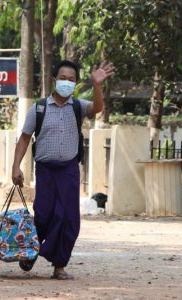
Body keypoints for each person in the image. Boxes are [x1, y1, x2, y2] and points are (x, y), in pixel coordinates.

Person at [12, 60, 115, 280]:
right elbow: (24, 138)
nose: (66, 82)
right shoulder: (38, 108)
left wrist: (97, 85)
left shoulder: (78, 106)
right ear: (54, 80)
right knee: (43, 215)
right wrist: (16, 166)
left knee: (68, 218)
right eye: (63, 78)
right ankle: (31, 251)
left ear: (76, 83)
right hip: (46, 170)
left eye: (71, 80)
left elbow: (97, 108)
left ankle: (59, 265)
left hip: (69, 170)